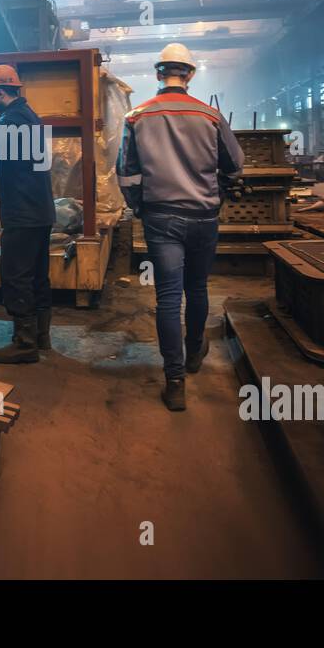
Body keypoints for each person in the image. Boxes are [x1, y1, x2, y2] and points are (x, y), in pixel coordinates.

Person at [118, 43, 244, 411]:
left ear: (159, 74)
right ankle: (194, 354)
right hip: (203, 217)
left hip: (161, 218)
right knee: (198, 287)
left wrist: (139, 206)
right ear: (189, 75)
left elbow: (126, 174)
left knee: (168, 298)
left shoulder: (136, 116)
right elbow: (235, 167)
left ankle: (175, 382)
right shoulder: (210, 116)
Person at [0, 64, 56, 364]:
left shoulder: (14, 120)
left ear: (1, 92)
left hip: (23, 214)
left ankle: (25, 344)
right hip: (38, 213)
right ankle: (41, 337)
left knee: (16, 277)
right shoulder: (27, 117)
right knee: (37, 276)